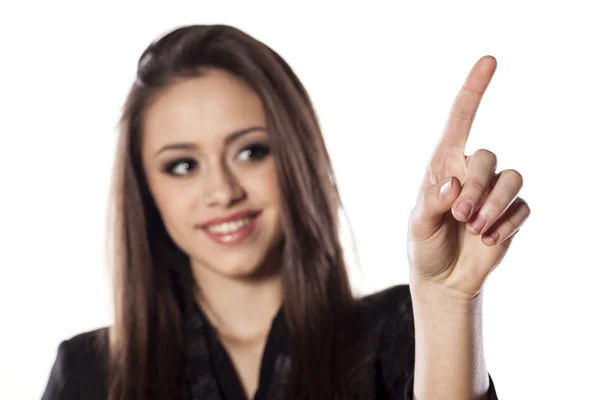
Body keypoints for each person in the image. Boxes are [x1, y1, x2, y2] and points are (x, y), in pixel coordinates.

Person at [42, 24, 530, 400]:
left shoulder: (398, 334)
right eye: (182, 165)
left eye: (251, 152)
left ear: (298, 156)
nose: (222, 191)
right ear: (145, 189)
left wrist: (447, 301)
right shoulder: (90, 372)